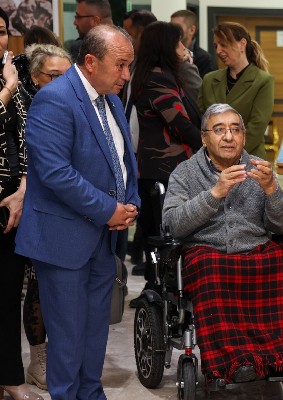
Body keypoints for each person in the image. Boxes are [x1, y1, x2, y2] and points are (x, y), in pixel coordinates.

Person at [15, 25, 140, 400]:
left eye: (129, 65)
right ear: (90, 61)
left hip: (103, 237)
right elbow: (55, 173)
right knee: (68, 337)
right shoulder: (54, 99)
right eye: (120, 65)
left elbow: (122, 160)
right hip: (64, 239)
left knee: (94, 332)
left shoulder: (111, 100)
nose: (126, 75)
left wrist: (131, 201)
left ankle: (91, 394)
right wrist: (108, 210)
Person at [162, 103, 283, 383]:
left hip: (254, 248)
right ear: (204, 138)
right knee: (210, 266)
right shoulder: (185, 173)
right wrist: (215, 193)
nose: (229, 136)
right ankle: (232, 361)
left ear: (244, 135)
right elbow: (173, 224)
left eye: (235, 129)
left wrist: (271, 189)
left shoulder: (259, 168)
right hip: (208, 251)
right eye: (219, 130)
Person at [127, 21, 203, 307]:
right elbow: (180, 124)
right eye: (178, 43)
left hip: (157, 169)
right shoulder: (158, 78)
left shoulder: (157, 75)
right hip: (164, 170)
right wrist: (214, 145)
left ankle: (159, 288)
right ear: (166, 47)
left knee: (158, 232)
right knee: (164, 234)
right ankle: (160, 292)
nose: (183, 48)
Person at [18, 43, 73, 392]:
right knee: (32, 285)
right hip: (25, 206)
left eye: (66, 76)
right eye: (53, 76)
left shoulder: (73, 104)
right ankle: (35, 360)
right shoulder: (20, 103)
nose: (60, 83)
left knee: (56, 288)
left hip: (64, 208)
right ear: (35, 76)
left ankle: (54, 357)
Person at [0, 8, 42, 400]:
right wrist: (6, 93)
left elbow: (25, 137)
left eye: (0, 31)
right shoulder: (9, 83)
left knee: (9, 294)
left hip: (11, 199)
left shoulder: (11, 74)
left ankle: (12, 377)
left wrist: (25, 187)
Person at [198, 22, 273, 160]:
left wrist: (228, 157)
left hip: (247, 161)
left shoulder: (263, 81)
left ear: (242, 44)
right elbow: (201, 120)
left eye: (223, 45)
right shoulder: (209, 79)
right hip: (211, 161)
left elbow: (256, 128)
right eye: (216, 46)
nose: (218, 51)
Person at [171, 9, 218, 78]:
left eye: (177, 27)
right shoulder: (167, 54)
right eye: (171, 27)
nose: (172, 30)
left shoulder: (205, 60)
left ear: (192, 30)